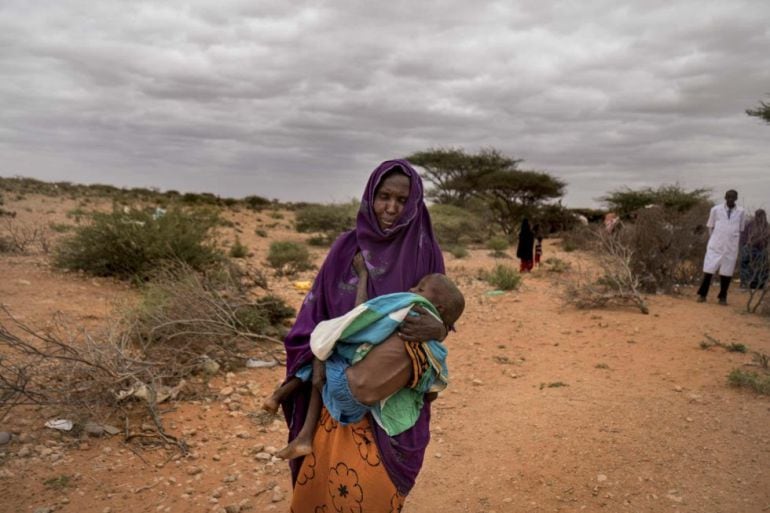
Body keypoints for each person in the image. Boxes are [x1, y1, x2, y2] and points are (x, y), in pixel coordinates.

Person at [281, 159, 448, 511]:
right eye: (383, 197)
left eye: (402, 200)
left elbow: (442, 316)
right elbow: (313, 316)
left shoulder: (425, 249)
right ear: (370, 197)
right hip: (337, 395)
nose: (391, 208)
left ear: (414, 203)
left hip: (394, 392)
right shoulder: (346, 249)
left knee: (376, 493)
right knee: (329, 489)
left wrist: (439, 328)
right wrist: (318, 356)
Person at [264, 273, 464, 460]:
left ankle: (289, 412)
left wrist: (363, 276)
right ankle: (296, 424)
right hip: (360, 408)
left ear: (438, 308)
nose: (412, 289)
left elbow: (362, 314)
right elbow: (431, 392)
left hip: (342, 385)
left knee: (323, 348)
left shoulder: (407, 309)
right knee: (326, 356)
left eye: (420, 289)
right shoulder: (436, 351)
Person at [696, 190, 746, 305]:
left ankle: (722, 297)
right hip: (716, 244)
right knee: (709, 270)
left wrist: (732, 239)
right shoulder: (715, 210)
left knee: (727, 272)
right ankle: (702, 295)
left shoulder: (741, 212)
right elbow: (710, 226)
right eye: (728, 197)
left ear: (736, 198)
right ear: (725, 197)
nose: (730, 199)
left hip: (731, 246)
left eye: (733, 197)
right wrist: (715, 239)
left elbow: (741, 228)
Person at [744, 209, 769, 290]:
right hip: (752, 249)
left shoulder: (766, 225)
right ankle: (751, 283)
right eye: (758, 215)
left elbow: (767, 237)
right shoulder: (750, 225)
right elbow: (746, 236)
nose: (760, 218)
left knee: (763, 267)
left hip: (762, 249)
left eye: (762, 215)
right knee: (751, 266)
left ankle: (761, 284)